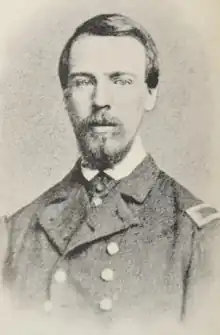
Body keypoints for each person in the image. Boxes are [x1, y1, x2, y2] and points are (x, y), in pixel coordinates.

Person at [1, 13, 220, 326]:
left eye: (121, 81)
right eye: (83, 82)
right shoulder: (15, 232)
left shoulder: (202, 237)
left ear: (150, 94)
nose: (100, 100)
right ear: (65, 97)